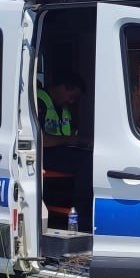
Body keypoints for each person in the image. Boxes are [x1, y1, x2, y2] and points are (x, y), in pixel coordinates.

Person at [37, 71, 93, 229]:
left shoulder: (64, 109)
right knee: (86, 162)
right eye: (71, 96)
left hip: (61, 152)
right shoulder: (39, 100)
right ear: (62, 87)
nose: (72, 101)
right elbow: (40, 139)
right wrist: (73, 140)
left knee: (92, 155)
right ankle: (82, 219)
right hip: (42, 154)